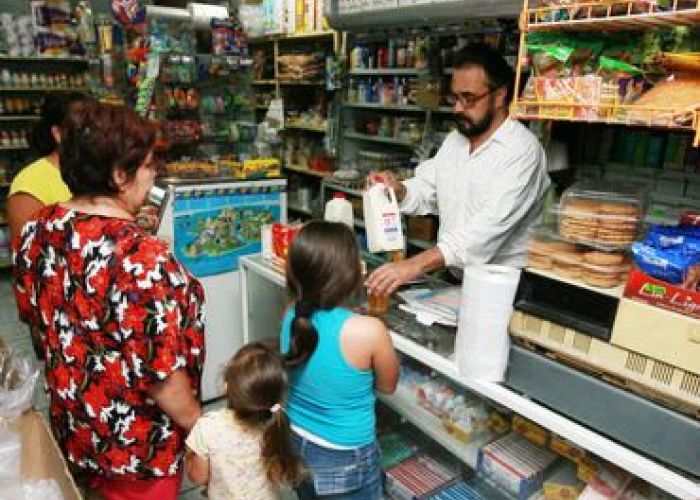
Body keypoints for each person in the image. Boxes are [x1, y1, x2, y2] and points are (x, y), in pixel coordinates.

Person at [13, 101, 205, 500]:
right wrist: (202, 430)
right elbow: (163, 378)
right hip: (137, 448)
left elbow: (35, 318)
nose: (154, 176)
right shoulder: (141, 257)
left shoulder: (38, 231)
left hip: (77, 426)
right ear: (120, 175)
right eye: (150, 166)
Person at [366, 44, 550, 297]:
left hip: (503, 289)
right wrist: (398, 190)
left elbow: (485, 230)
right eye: (455, 98)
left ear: (499, 96)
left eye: (469, 98)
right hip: (456, 279)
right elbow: (428, 188)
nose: (458, 109)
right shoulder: (456, 140)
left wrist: (415, 264)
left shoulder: (522, 151)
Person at [280, 220, 400, 500]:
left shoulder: (291, 314)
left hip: (295, 439)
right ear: (349, 273)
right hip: (345, 454)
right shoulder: (369, 330)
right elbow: (388, 386)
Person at [185, 342, 305, 499]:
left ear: (225, 386)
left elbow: (198, 476)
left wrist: (189, 457)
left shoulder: (208, 426)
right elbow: (279, 473)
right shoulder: (275, 425)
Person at [7, 92, 89, 241]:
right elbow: (27, 254)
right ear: (58, 133)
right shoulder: (30, 183)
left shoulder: (97, 171)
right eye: (83, 127)